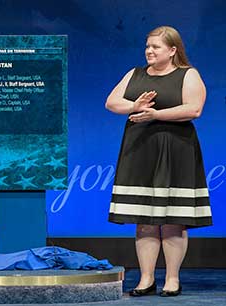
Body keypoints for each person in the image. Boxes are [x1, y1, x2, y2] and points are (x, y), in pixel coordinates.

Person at [105, 26, 212, 297]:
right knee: (144, 219)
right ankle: (146, 279)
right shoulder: (135, 74)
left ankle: (172, 279)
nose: (149, 51)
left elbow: (194, 108)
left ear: (173, 50)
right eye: (147, 46)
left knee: (174, 219)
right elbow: (111, 102)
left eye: (156, 47)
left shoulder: (188, 74)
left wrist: (155, 114)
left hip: (176, 150)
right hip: (140, 150)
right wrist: (134, 107)